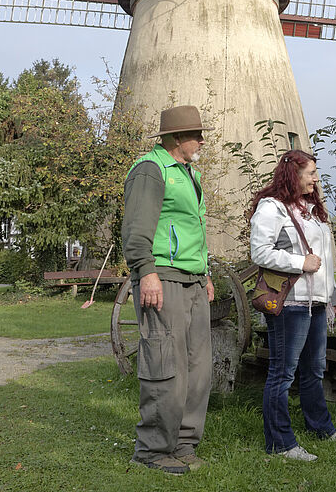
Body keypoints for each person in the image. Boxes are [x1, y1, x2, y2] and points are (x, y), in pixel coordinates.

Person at [122, 105, 215, 475]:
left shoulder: (189, 174)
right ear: (177, 138)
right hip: (163, 277)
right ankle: (153, 450)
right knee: (165, 364)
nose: (202, 141)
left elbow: (195, 229)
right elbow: (136, 228)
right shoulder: (151, 169)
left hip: (193, 279)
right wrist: (146, 272)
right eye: (196, 135)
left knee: (198, 368)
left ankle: (184, 443)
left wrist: (205, 273)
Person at [248, 149, 336, 462]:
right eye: (311, 173)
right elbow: (260, 252)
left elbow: (326, 259)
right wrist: (300, 263)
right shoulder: (272, 208)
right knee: (282, 373)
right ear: (292, 175)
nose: (316, 179)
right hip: (291, 303)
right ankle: (280, 444)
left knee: (314, 369)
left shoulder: (311, 209)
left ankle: (320, 428)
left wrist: (332, 295)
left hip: (317, 303)